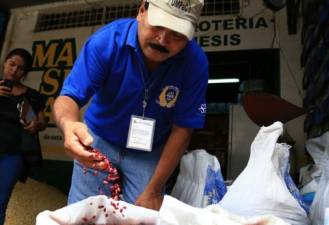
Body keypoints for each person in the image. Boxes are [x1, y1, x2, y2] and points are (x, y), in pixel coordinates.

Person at [52, 0, 208, 210]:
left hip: (150, 151)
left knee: (143, 214)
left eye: (177, 34)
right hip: (99, 139)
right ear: (142, 11)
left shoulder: (195, 63)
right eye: (158, 25)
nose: (162, 39)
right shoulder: (106, 42)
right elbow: (69, 97)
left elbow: (182, 129)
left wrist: (154, 189)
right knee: (85, 211)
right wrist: (69, 125)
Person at [0, 48, 47, 224]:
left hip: (13, 154)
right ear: (5, 62)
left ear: (25, 72)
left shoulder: (33, 96)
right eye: (12, 64)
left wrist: (36, 124)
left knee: (1, 200)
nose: (14, 70)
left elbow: (42, 121)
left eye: (20, 68)